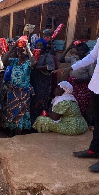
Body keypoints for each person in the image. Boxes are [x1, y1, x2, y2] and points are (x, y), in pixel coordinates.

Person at [55, 38, 99, 172]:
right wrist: (72, 67)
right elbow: (92, 57)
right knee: (97, 121)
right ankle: (94, 150)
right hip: (97, 86)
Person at [2, 40, 36, 134]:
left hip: (24, 92)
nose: (20, 53)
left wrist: (28, 49)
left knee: (21, 113)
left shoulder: (28, 62)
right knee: (12, 111)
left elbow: (34, 63)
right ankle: (12, 132)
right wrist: (11, 49)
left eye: (23, 51)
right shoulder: (15, 61)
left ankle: (19, 134)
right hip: (13, 91)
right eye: (19, 51)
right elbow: (3, 61)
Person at [59, 42, 95, 118]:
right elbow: (61, 59)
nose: (79, 52)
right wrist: (68, 48)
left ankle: (80, 121)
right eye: (78, 50)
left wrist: (81, 80)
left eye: (82, 50)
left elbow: (91, 76)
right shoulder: (74, 58)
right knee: (70, 102)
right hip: (71, 84)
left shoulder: (89, 62)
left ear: (86, 51)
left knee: (80, 105)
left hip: (82, 86)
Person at [30, 38, 55, 122]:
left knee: (41, 101)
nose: (39, 47)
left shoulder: (47, 56)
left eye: (41, 45)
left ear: (44, 46)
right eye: (38, 45)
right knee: (32, 100)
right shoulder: (33, 55)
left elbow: (50, 67)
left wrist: (37, 67)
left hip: (43, 82)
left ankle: (41, 120)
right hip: (33, 81)